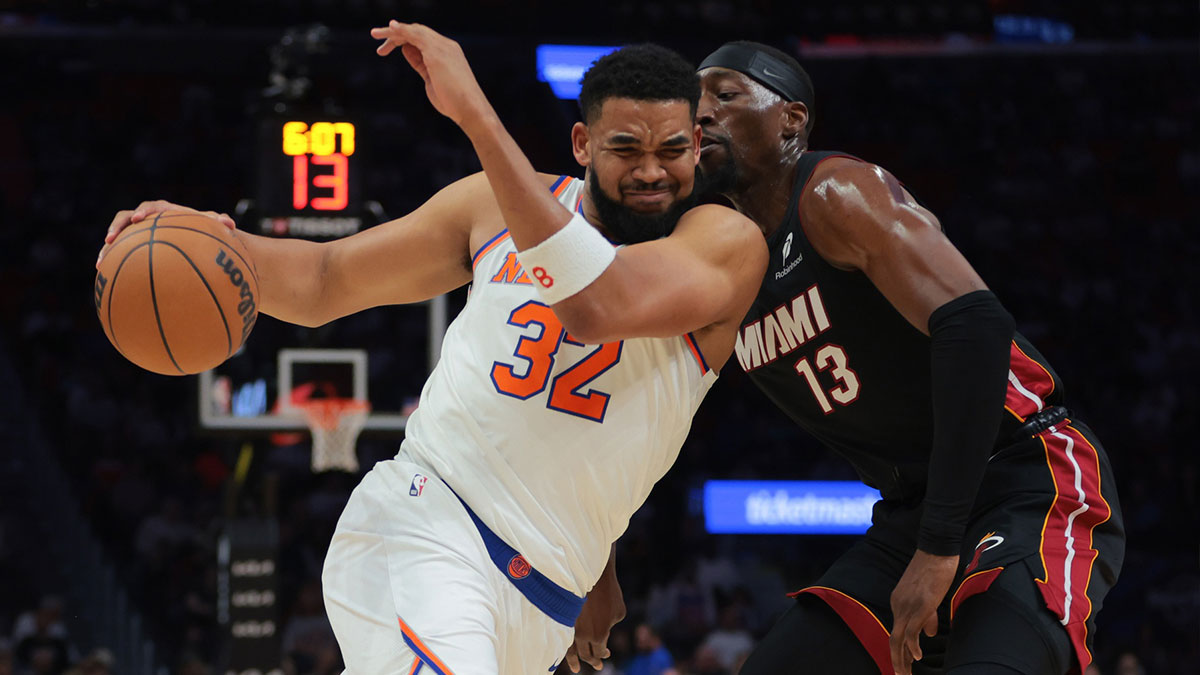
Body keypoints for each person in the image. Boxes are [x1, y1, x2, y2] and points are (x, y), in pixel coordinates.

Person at [100, 24, 767, 675]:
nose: (651, 171)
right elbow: (326, 279)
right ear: (582, 144)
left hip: (540, 607)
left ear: (697, 143)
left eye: (672, 149)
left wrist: (600, 563)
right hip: (429, 526)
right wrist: (207, 242)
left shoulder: (724, 246)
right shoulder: (494, 206)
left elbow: (599, 307)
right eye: (627, 149)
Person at [691, 41, 1125, 675]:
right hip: (913, 511)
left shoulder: (834, 191)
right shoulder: (718, 262)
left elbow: (976, 325)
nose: (700, 115)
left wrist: (940, 544)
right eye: (693, 103)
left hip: (1026, 475)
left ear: (792, 119)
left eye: (724, 96)